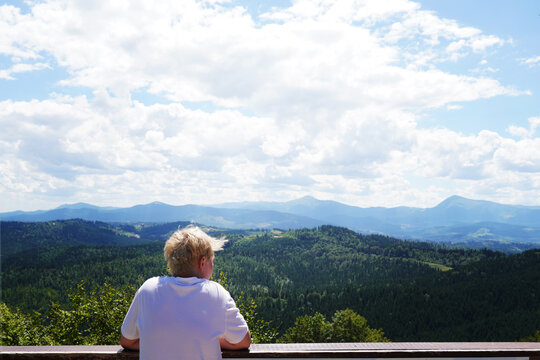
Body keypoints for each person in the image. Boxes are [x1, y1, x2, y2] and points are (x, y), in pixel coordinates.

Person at [120, 225, 250, 359]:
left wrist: (166, 344)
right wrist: (209, 341)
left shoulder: (148, 288)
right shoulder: (217, 293)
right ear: (202, 262)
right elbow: (243, 341)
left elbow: (127, 340)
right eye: (212, 261)